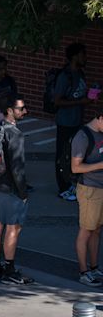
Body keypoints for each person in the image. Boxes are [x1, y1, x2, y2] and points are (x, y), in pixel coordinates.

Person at [0, 93, 34, 285]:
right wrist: (23, 193)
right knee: (13, 228)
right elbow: (17, 168)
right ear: (9, 111)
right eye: (21, 108)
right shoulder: (14, 133)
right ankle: (10, 270)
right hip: (9, 189)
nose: (25, 111)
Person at [55, 43, 94, 201]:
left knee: (76, 154)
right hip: (65, 122)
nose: (85, 57)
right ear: (74, 57)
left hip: (77, 121)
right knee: (63, 154)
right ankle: (63, 188)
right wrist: (80, 102)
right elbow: (57, 101)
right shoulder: (65, 76)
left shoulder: (80, 73)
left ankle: (72, 183)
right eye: (82, 54)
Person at [71, 109, 103, 287]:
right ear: (100, 118)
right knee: (86, 231)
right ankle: (84, 272)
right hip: (89, 190)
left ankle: (94, 267)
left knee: (96, 230)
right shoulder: (83, 137)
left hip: (100, 189)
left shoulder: (100, 132)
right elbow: (75, 168)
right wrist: (100, 165)